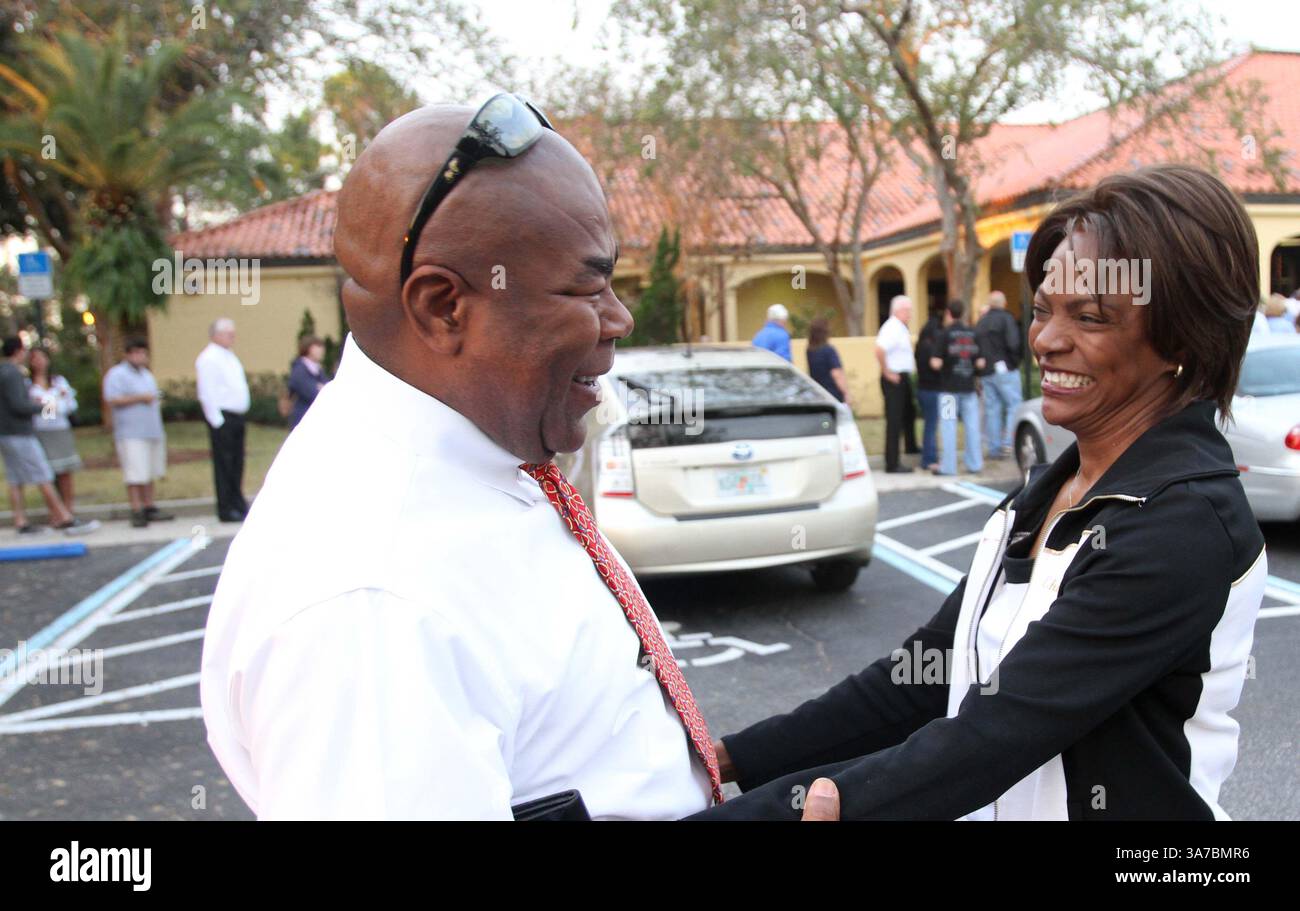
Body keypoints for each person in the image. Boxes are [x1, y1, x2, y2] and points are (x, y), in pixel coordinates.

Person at [201, 96, 721, 819]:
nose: (618, 319)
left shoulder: (478, 458)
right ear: (444, 306)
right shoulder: (372, 602)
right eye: (585, 286)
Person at [694, 164, 1267, 821]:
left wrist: (834, 804)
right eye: (1044, 310)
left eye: (1089, 315)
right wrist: (731, 756)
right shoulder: (1047, 497)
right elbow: (922, 676)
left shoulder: (1181, 521)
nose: (1047, 340)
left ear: (1181, 340)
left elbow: (993, 735)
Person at [0, 337, 97, 535]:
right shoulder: (13, 374)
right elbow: (20, 405)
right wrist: (46, 406)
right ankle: (64, 517)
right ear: (19, 351)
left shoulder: (4, 372)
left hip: (7, 432)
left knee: (16, 477)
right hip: (20, 432)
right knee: (43, 473)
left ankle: (20, 520)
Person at [103, 339, 173, 529]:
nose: (140, 357)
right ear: (127, 354)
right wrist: (140, 398)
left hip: (151, 430)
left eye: (142, 353)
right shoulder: (116, 375)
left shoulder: (146, 375)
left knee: (149, 470)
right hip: (131, 432)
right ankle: (136, 509)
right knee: (135, 472)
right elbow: (112, 399)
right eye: (135, 353)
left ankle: (149, 505)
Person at [196, 318, 250, 522]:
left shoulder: (229, 356)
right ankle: (226, 507)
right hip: (222, 418)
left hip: (236, 416)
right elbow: (206, 392)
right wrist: (217, 421)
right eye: (228, 333)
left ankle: (237, 502)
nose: (232, 337)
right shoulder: (209, 358)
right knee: (225, 463)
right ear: (216, 335)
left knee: (237, 463)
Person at [930, 299, 985, 476]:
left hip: (948, 389)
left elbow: (936, 363)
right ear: (963, 313)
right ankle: (975, 464)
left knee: (948, 427)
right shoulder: (972, 333)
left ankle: (949, 467)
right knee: (972, 426)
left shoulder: (944, 334)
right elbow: (981, 362)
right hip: (969, 387)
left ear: (948, 313)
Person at [27, 348, 83, 511]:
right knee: (47, 473)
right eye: (34, 358)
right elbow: (39, 411)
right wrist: (53, 402)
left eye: (42, 357)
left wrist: (49, 404)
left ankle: (68, 508)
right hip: (41, 432)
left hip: (60, 430)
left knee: (65, 472)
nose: (39, 361)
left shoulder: (58, 381)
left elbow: (68, 405)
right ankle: (55, 511)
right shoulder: (28, 385)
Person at [975, 291, 1023, 460]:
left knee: (992, 410)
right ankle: (1009, 443)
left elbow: (976, 347)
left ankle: (994, 448)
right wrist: (1015, 362)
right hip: (1005, 369)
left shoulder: (981, 322)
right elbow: (1013, 342)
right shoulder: (1006, 319)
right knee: (1014, 405)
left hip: (986, 372)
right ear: (1003, 303)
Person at [874, 295, 920, 473]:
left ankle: (911, 446)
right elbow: (879, 350)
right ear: (898, 310)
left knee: (909, 414)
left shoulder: (900, 327)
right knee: (894, 421)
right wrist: (887, 372)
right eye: (907, 311)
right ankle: (892, 462)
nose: (910, 314)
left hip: (903, 377)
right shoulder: (892, 327)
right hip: (894, 378)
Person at [913, 310, 944, 472]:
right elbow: (937, 367)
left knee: (929, 425)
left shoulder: (920, 346)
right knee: (933, 425)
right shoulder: (933, 348)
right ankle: (929, 460)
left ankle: (931, 457)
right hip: (935, 390)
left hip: (923, 389)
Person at [286, 334, 330, 429]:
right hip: (302, 419)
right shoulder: (299, 370)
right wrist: (321, 388)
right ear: (308, 348)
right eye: (317, 347)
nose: (321, 350)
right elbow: (313, 393)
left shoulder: (319, 370)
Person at [805, 318, 850, 405]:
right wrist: (846, 392)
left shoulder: (810, 350)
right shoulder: (828, 350)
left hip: (818, 393)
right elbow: (836, 373)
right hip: (833, 394)